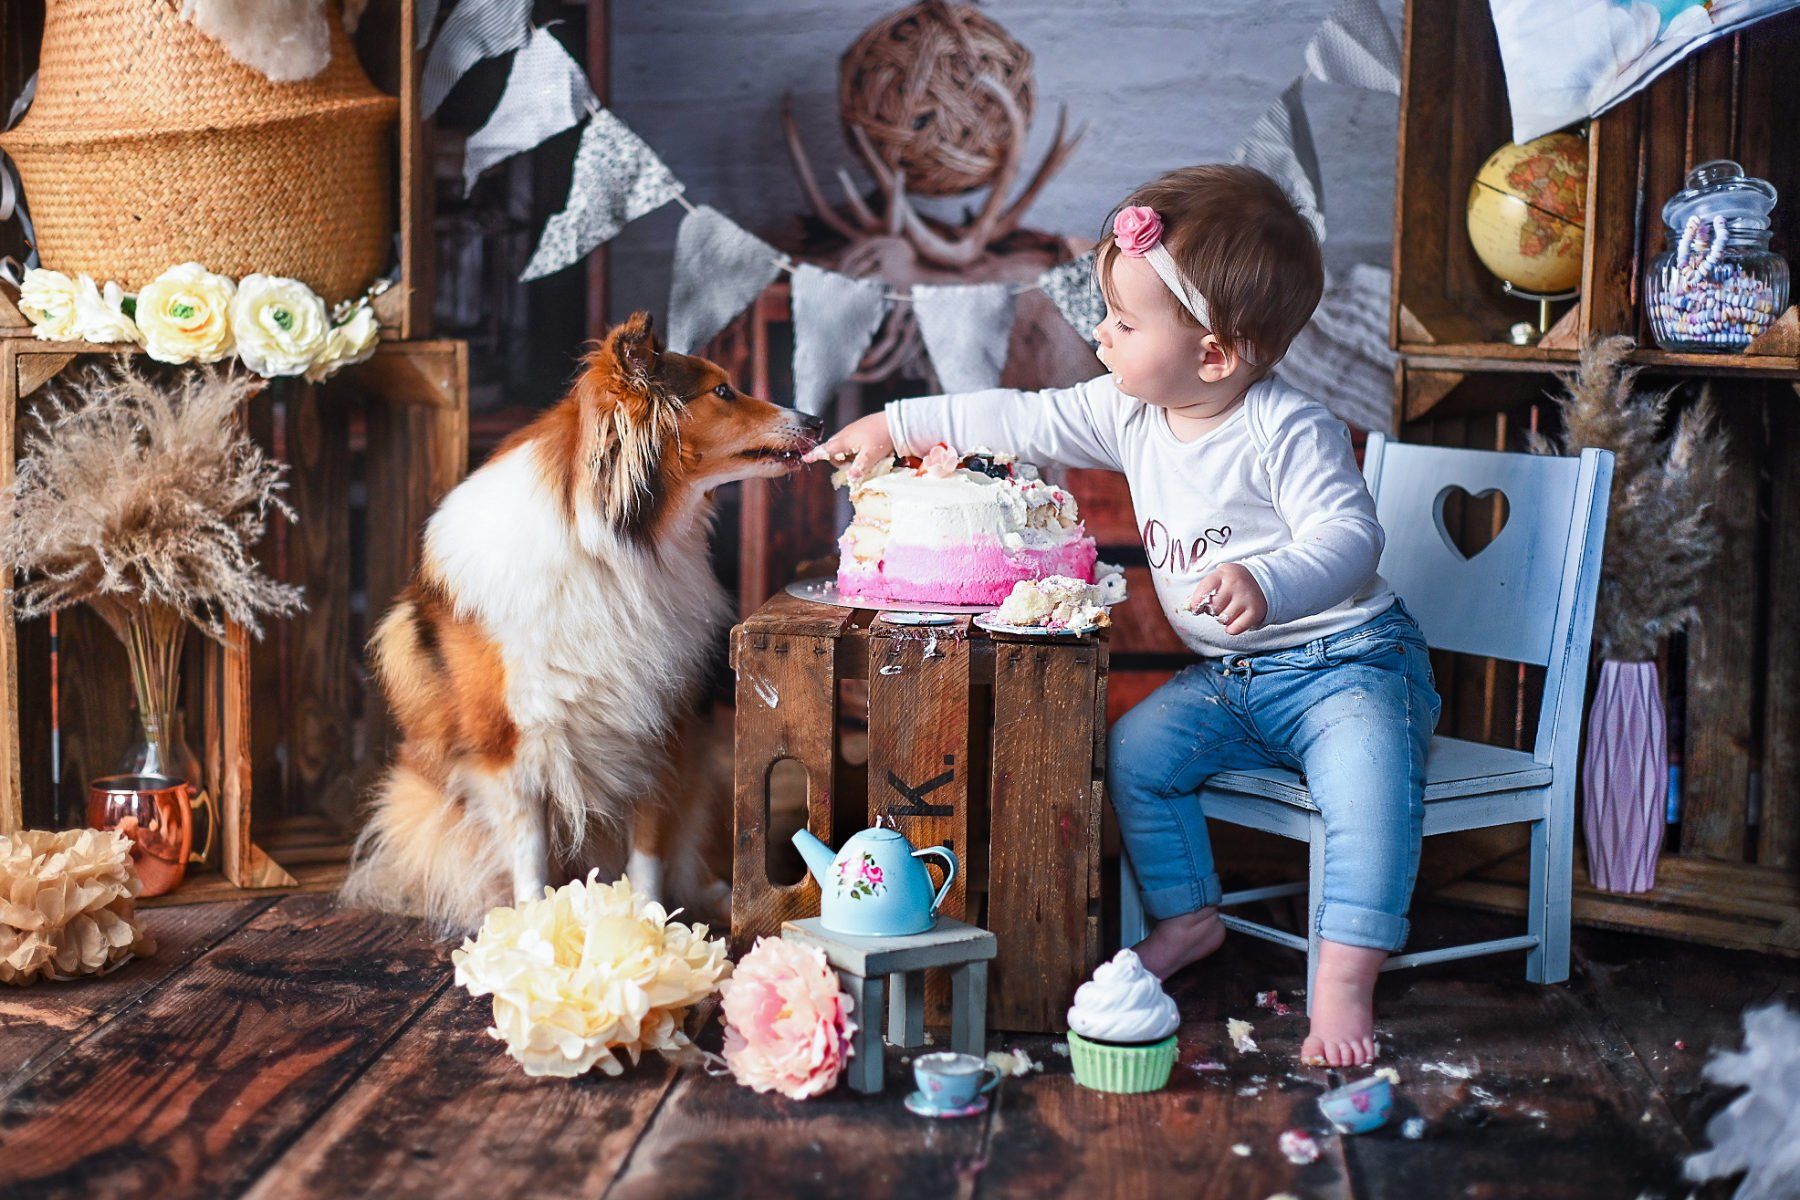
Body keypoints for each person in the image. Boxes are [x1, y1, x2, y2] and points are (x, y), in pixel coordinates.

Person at [804, 164, 1441, 1067]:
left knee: (1367, 792)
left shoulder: (1287, 430)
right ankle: (1190, 920)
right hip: (1235, 680)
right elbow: (1019, 417)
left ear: (1214, 353)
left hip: (1349, 666)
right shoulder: (1131, 412)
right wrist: (898, 424)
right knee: (1139, 755)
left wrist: (1269, 580)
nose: (1100, 334)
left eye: (1126, 322)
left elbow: (1351, 535)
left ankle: (1343, 983)